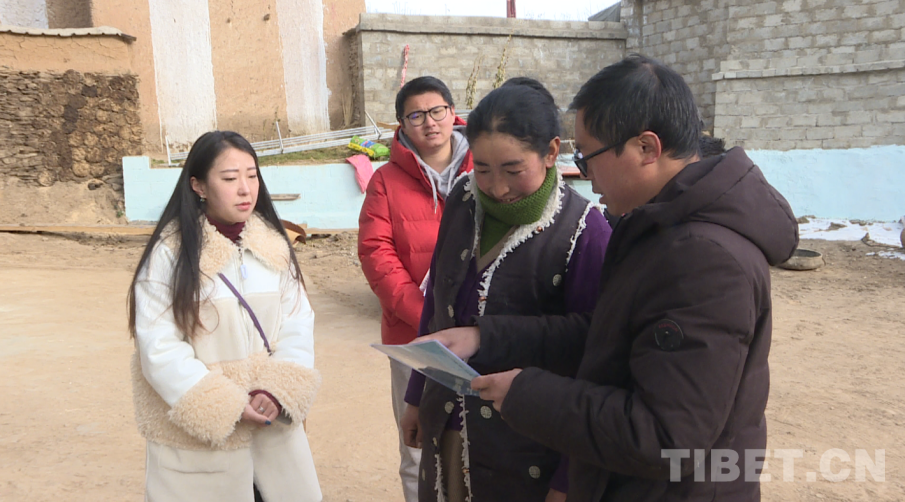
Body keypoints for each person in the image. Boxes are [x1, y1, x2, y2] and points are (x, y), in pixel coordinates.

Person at [428, 54, 799, 501]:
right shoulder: (657, 227)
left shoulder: (704, 258)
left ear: (646, 148)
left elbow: (664, 434)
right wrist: (486, 337)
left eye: (589, 157)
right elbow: (607, 334)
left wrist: (525, 394)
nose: (586, 174)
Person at [402, 77, 612, 502]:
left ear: (551, 152)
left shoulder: (585, 230)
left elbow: (596, 359)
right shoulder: (463, 200)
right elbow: (438, 304)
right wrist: (416, 395)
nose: (496, 187)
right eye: (482, 168)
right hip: (447, 422)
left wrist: (569, 478)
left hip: (527, 444)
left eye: (513, 170)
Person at [128, 131, 321, 502]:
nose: (245, 189)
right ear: (198, 185)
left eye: (252, 175)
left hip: (271, 431)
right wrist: (225, 404)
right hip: (202, 446)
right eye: (230, 178)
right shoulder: (169, 254)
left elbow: (298, 323)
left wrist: (276, 390)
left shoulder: (274, 247)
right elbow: (158, 346)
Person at [357, 75, 473, 502]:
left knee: (477, 438)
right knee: (417, 443)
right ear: (402, 124)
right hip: (412, 336)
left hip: (476, 330)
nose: (430, 122)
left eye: (437, 110)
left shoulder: (483, 168)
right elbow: (376, 253)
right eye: (416, 115)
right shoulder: (385, 181)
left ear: (453, 112)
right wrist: (424, 315)